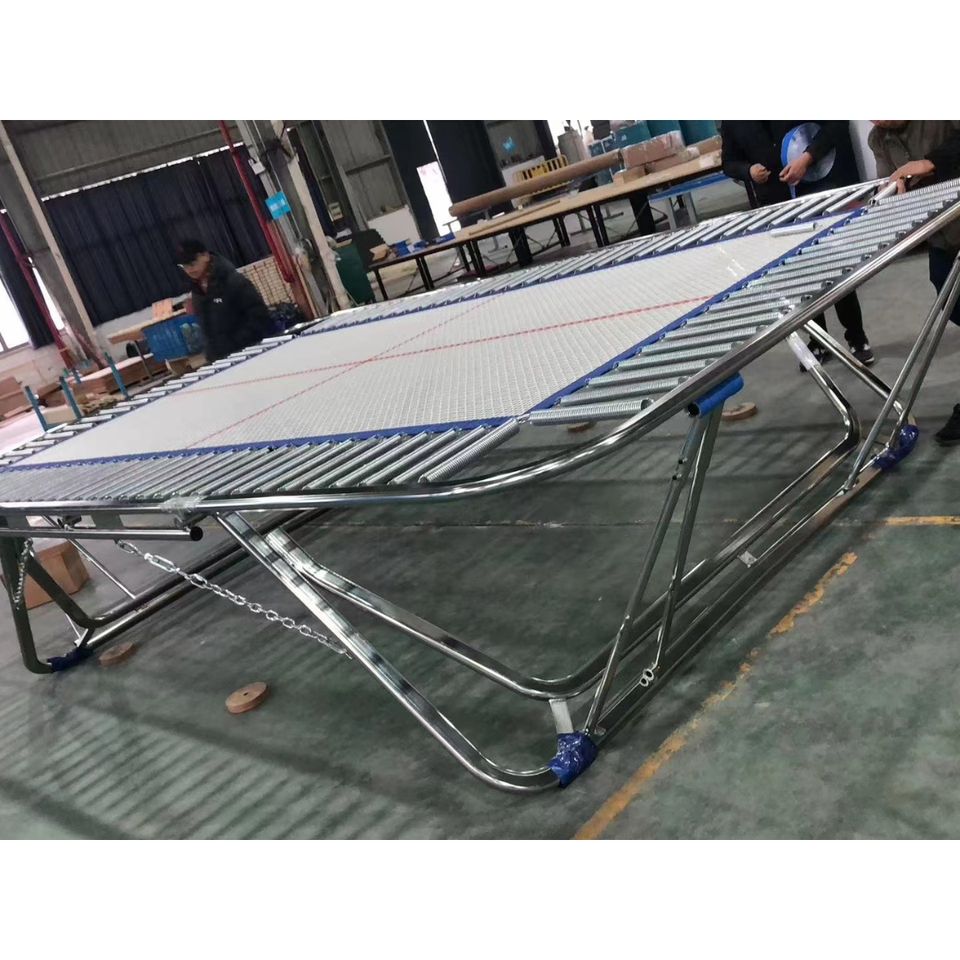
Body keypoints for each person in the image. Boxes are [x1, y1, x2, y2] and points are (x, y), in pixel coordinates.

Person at [721, 121, 874, 367]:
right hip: (776, 205)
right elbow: (728, 162)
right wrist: (748, 171)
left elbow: (836, 125)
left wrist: (806, 158)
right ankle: (819, 340)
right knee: (801, 275)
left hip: (815, 193)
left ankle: (856, 336)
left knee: (835, 265)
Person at [869, 122, 960, 445]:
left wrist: (931, 162)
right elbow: (887, 182)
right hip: (943, 235)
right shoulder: (879, 139)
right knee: (950, 298)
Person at [175, 239, 273, 363]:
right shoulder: (197, 291)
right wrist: (211, 356)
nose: (190, 270)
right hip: (221, 360)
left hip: (250, 355)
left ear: (205, 256)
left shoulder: (234, 282)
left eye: (192, 263)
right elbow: (207, 329)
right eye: (184, 266)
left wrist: (234, 344)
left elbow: (260, 317)